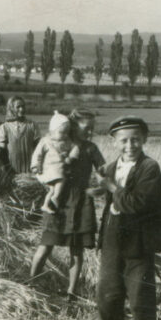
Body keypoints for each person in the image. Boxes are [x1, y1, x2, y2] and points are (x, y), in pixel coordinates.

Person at [95, 116, 161, 320]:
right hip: (112, 239)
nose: (130, 145)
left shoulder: (150, 168)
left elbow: (137, 203)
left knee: (140, 299)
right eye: (124, 140)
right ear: (113, 142)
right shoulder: (109, 168)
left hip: (140, 241)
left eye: (135, 139)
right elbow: (95, 191)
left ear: (145, 139)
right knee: (108, 295)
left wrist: (112, 188)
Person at [29, 109, 106, 300]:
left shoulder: (91, 148)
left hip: (81, 201)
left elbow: (102, 170)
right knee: (46, 243)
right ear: (73, 126)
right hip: (59, 201)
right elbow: (39, 163)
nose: (89, 132)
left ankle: (71, 292)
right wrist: (42, 177)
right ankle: (31, 282)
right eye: (86, 128)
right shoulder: (58, 143)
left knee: (77, 250)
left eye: (92, 129)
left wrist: (102, 185)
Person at [31, 111, 81, 214]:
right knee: (61, 179)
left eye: (67, 132)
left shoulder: (67, 141)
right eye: (62, 132)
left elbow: (75, 148)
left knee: (52, 189)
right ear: (52, 130)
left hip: (59, 168)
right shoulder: (45, 141)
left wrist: (70, 157)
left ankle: (46, 205)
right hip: (48, 169)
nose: (65, 135)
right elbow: (37, 154)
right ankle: (56, 198)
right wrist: (36, 166)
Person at [0, 96, 40, 173]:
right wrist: (7, 170)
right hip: (12, 171)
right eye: (18, 107)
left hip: (30, 171)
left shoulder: (32, 125)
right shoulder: (4, 128)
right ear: (11, 108)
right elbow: (2, 153)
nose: (21, 109)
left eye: (23, 106)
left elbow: (38, 148)